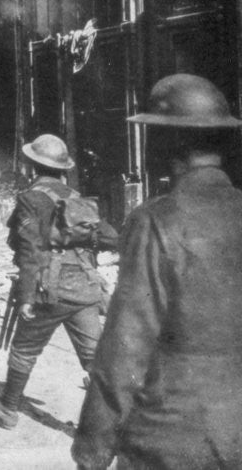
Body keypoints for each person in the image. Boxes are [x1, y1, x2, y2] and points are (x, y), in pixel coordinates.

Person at [72, 74, 242, 469]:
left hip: (171, 440)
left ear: (169, 143)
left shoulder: (156, 222)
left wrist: (91, 450)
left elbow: (125, 350)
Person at [0, 133, 118, 428]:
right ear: (62, 168)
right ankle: (113, 424)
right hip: (85, 286)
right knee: (94, 356)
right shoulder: (77, 199)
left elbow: (28, 249)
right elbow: (110, 237)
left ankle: (8, 409)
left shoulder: (31, 198)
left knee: (25, 348)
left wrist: (27, 297)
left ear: (33, 166)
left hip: (50, 288)